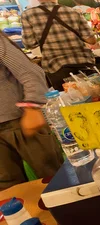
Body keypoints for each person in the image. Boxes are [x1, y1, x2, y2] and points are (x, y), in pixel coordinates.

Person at [0, 32, 64, 189]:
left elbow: (30, 72)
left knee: (55, 177)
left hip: (19, 120)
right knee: (8, 189)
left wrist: (32, 106)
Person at [21, 0, 97, 91]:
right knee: (96, 96)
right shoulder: (73, 12)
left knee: (70, 102)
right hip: (84, 62)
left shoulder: (28, 15)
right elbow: (91, 40)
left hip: (56, 66)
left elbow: (29, 44)